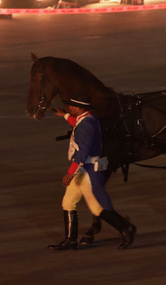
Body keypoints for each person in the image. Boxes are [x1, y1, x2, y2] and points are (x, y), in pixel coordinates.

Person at [48, 93, 136, 251]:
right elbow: (76, 122)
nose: (70, 107)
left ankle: (126, 227)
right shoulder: (88, 119)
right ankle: (71, 240)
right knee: (68, 202)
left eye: (72, 106)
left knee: (97, 208)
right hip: (82, 171)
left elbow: (82, 152)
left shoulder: (86, 125)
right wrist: (65, 115)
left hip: (87, 171)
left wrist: (70, 172)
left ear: (81, 108)